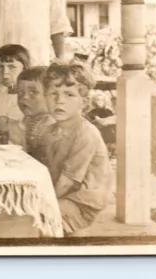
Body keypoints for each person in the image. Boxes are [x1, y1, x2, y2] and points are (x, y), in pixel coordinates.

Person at [40, 61, 112, 236]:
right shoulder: (50, 130)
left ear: (85, 103)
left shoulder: (85, 135)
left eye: (69, 95)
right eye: (53, 93)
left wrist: (42, 201)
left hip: (83, 202)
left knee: (38, 216)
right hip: (62, 192)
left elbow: (67, 182)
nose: (59, 100)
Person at [0, 44, 30, 143]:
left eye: (12, 67)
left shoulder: (29, 98)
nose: (5, 73)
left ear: (24, 68)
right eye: (0, 67)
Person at [15, 67, 56, 160]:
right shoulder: (25, 120)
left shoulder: (51, 125)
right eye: (20, 92)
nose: (24, 97)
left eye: (33, 92)